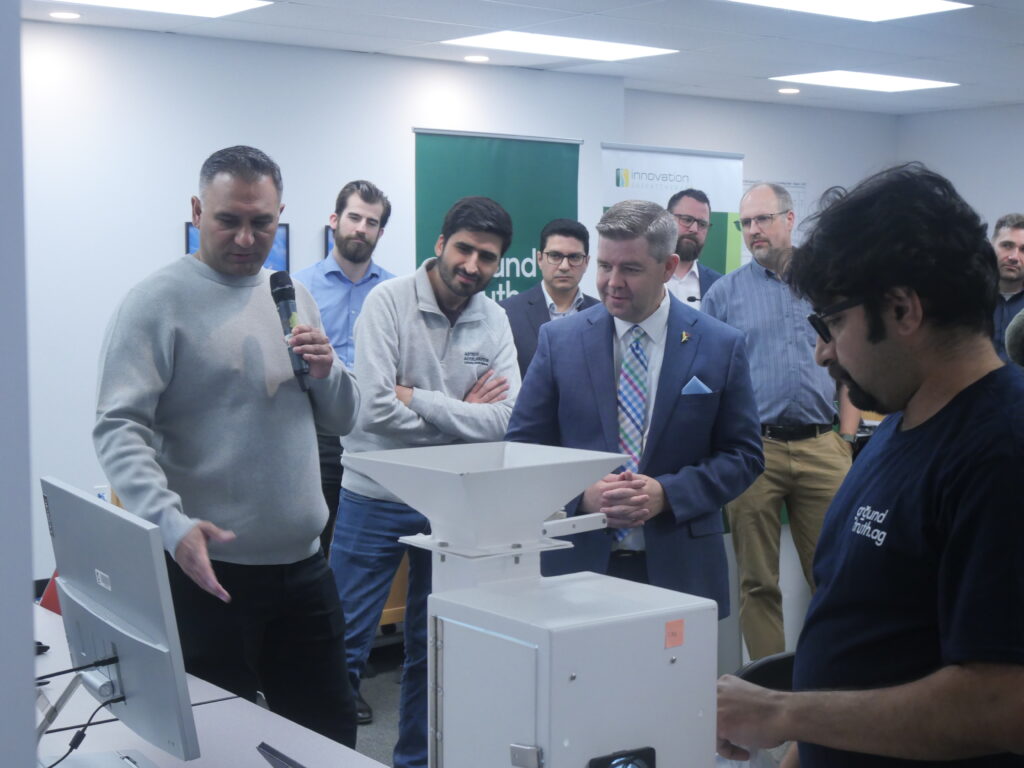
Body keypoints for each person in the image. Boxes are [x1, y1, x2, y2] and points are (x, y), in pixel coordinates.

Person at [716, 164, 1024, 768]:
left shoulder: (1001, 454)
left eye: (832, 322)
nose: (822, 351)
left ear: (903, 310)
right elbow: (864, 634)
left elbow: (1004, 701)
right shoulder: (902, 424)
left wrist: (782, 714)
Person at [93, 146, 360, 747]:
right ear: (197, 210)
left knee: (328, 739)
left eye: (262, 223)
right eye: (227, 220)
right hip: (209, 576)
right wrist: (168, 521)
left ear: (281, 215)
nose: (246, 238)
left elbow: (342, 418)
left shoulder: (291, 293)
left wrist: (330, 373)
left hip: (305, 567)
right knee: (218, 744)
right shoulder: (155, 303)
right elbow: (118, 427)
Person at [332, 196, 521, 768]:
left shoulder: (497, 317)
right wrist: (459, 413)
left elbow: (505, 419)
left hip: (451, 503)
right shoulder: (386, 304)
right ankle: (324, 757)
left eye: (487, 257)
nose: (472, 264)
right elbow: (372, 413)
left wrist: (421, 398)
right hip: (375, 494)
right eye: (464, 248)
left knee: (432, 649)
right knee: (341, 646)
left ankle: (413, 762)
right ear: (439, 244)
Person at [505, 200, 762, 616]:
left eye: (631, 269)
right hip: (577, 565)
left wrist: (668, 494)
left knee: (673, 683)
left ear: (668, 266)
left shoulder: (720, 345)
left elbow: (745, 455)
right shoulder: (559, 342)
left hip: (681, 568)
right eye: (605, 266)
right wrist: (581, 497)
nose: (612, 283)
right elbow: (521, 448)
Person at [702, 183, 859, 660]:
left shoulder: (826, 284)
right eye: (745, 223)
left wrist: (846, 439)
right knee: (757, 582)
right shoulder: (724, 295)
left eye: (763, 219)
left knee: (837, 574)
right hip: (754, 453)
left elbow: (852, 363)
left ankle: (834, 679)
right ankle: (773, 691)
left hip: (822, 446)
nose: (753, 231)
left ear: (790, 220)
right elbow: (709, 382)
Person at [293, 178, 393, 725]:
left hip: (379, 437)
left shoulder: (395, 291)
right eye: (354, 218)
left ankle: (339, 677)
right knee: (319, 556)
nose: (362, 229)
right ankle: (316, 675)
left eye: (373, 221)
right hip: (320, 436)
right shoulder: (300, 286)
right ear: (334, 221)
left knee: (352, 569)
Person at [499, 217, 600, 378]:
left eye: (574, 257)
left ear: (586, 262)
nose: (564, 266)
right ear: (539, 259)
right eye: (555, 256)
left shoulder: (603, 315)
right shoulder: (506, 313)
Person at [666, 188, 722, 310]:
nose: (694, 229)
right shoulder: (645, 276)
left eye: (702, 224)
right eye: (687, 220)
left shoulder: (719, 285)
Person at [989, 213, 1024, 361]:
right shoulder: (967, 298)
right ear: (991, 247)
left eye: (1023, 250)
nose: (1014, 257)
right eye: (1007, 245)